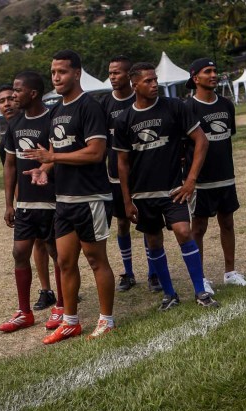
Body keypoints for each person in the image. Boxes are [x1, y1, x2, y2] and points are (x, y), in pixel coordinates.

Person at [23, 49, 116, 344]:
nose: (56, 77)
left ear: (77, 73)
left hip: (91, 197)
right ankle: (71, 321)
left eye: (62, 72)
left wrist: (53, 156)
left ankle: (106, 320)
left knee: (95, 259)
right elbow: (55, 154)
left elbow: (95, 152)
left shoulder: (90, 106)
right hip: (64, 199)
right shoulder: (56, 112)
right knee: (64, 261)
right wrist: (44, 168)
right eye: (53, 72)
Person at [113, 62, 218, 311]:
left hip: (173, 189)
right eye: (148, 81)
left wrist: (190, 180)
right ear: (134, 84)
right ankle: (169, 294)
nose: (154, 84)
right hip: (143, 194)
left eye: (155, 79)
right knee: (153, 242)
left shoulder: (174, 107)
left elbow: (201, 140)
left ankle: (201, 291)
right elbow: (122, 164)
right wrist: (127, 201)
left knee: (184, 232)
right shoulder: (124, 119)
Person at [0, 71, 65, 333]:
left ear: (33, 93)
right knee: (19, 252)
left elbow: (56, 156)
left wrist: (45, 171)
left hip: (51, 200)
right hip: (26, 203)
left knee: (56, 252)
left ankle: (61, 305)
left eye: (18, 90)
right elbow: (10, 166)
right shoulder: (14, 124)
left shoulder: (52, 118)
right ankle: (24, 312)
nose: (13, 95)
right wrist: (8, 204)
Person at [184, 58, 246, 291]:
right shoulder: (188, 108)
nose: (213, 75)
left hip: (226, 176)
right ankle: (200, 278)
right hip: (201, 181)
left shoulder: (226, 104)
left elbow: (227, 136)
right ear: (195, 78)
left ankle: (230, 272)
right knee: (198, 228)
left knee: (228, 222)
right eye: (207, 71)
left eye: (214, 70)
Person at [100, 55, 160, 293]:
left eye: (117, 73)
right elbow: (102, 142)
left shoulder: (143, 99)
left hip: (143, 174)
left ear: (129, 76)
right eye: (110, 72)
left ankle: (154, 272)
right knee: (122, 223)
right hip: (116, 175)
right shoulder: (105, 104)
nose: (112, 77)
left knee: (148, 226)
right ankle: (128, 272)